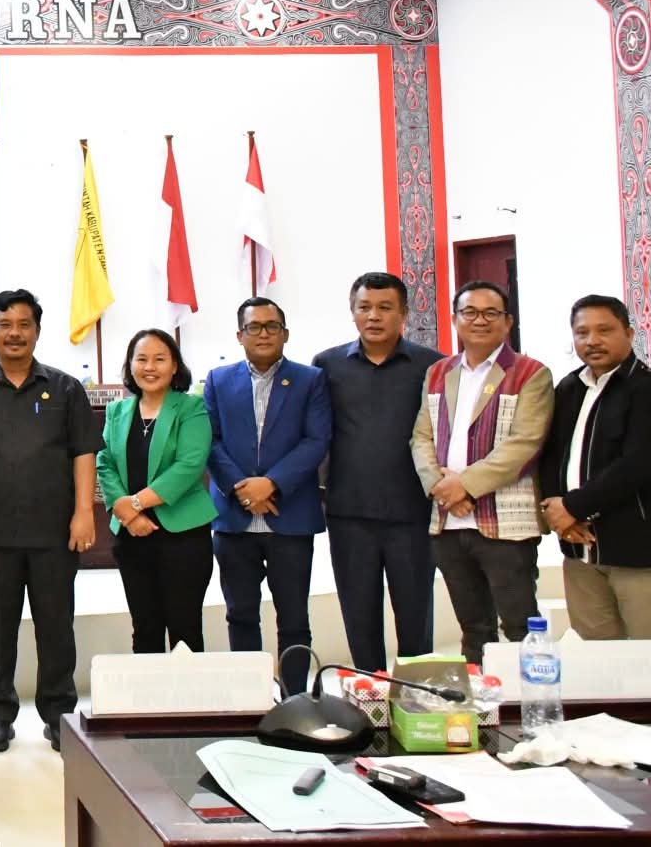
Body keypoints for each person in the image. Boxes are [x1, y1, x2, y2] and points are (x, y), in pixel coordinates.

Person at [0, 288, 98, 753]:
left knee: (56, 626)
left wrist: (84, 513)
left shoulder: (65, 388)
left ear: (37, 330)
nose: (15, 333)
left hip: (54, 531)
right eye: (5, 325)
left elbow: (83, 454)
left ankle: (58, 714)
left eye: (24, 325)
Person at [540, 295, 651, 695]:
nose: (592, 340)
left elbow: (638, 464)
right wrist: (555, 509)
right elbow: (551, 456)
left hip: (641, 546)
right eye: (582, 332)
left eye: (604, 330)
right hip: (581, 550)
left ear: (629, 332)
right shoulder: (568, 388)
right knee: (598, 657)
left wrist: (573, 506)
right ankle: (611, 728)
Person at [410, 280, 553, 666]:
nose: (480, 320)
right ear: (455, 319)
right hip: (448, 524)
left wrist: (465, 486)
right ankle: (480, 698)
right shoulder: (438, 372)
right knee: (474, 628)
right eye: (470, 312)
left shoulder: (530, 373)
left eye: (491, 313)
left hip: (505, 524)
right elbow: (421, 436)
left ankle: (527, 697)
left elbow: (525, 443)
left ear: (508, 322)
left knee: (520, 626)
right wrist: (439, 486)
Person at [314, 272, 442, 672]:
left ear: (403, 313)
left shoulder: (432, 365)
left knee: (416, 615)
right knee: (359, 616)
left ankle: (415, 695)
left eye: (385, 307)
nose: (373, 316)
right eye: (364, 307)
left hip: (413, 512)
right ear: (352, 312)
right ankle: (367, 692)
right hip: (349, 513)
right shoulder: (327, 365)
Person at [202, 297, 331, 692]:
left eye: (271, 326)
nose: (263, 334)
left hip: (290, 517)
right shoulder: (218, 380)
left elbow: (316, 440)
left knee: (294, 618)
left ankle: (295, 699)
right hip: (234, 518)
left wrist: (271, 484)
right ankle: (251, 696)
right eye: (253, 327)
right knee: (240, 614)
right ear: (239, 335)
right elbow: (210, 440)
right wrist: (241, 488)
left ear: (285, 334)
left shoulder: (310, 380)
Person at [97, 329, 215, 656]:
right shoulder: (117, 412)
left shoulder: (191, 408)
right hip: (132, 537)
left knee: (184, 629)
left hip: (183, 536)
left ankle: (186, 692)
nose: (150, 367)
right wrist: (128, 515)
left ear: (174, 366)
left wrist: (135, 503)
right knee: (144, 628)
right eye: (142, 359)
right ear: (130, 365)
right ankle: (146, 692)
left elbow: (189, 465)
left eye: (159, 359)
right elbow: (104, 462)